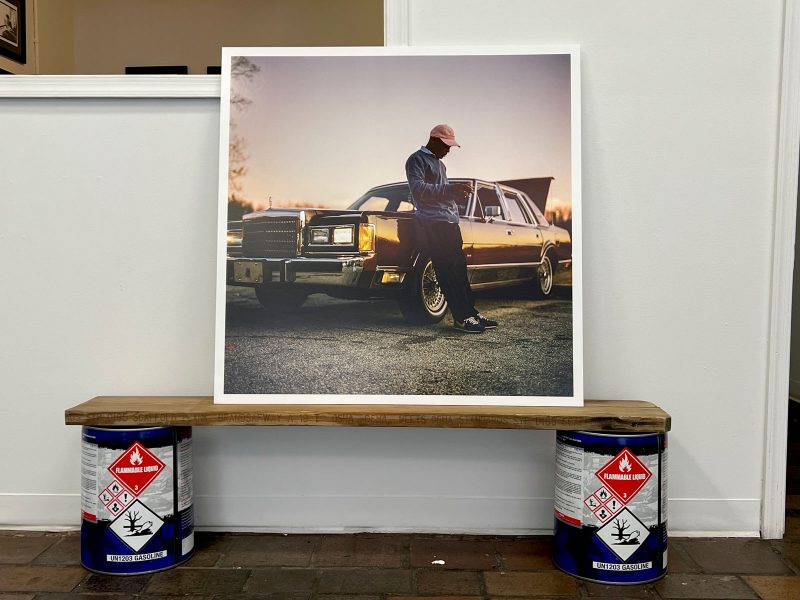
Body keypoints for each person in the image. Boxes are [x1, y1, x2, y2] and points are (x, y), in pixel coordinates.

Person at [405, 124, 498, 334]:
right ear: (434, 140)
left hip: (450, 222)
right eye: (446, 146)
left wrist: (456, 194)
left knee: (459, 270)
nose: (448, 150)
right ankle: (461, 318)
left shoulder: (441, 165)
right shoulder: (416, 159)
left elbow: (441, 193)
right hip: (433, 223)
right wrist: (450, 189)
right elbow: (418, 190)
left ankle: (471, 313)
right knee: (447, 271)